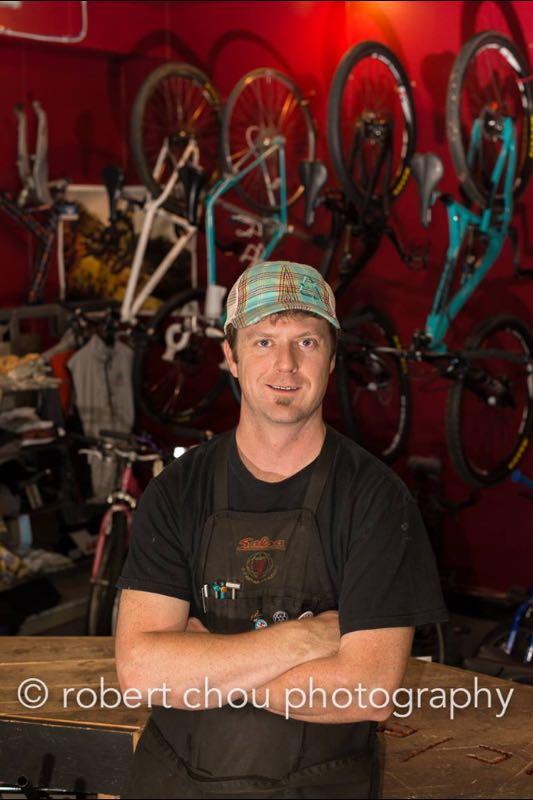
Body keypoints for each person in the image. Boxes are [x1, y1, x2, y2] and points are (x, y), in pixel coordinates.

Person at [115, 260, 448, 799]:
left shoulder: (376, 499)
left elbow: (366, 691)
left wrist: (206, 668)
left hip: (316, 787)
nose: (286, 364)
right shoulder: (177, 490)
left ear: (332, 356)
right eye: (264, 340)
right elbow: (141, 674)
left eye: (307, 343)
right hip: (171, 783)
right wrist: (303, 638)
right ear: (231, 356)